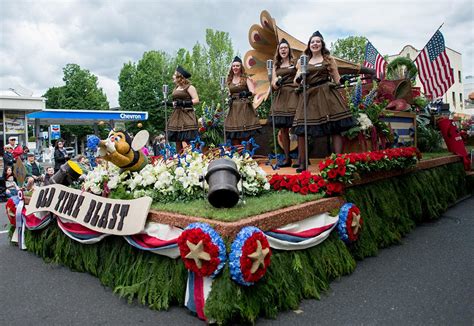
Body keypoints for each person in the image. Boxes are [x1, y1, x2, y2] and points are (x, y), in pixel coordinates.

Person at [293, 31, 354, 172]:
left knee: (335, 127)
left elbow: (337, 78)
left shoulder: (328, 59)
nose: (315, 44)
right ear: (309, 45)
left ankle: (337, 160)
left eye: (318, 41)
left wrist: (343, 81)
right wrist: (300, 78)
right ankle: (302, 163)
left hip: (326, 94)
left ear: (322, 44)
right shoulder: (303, 60)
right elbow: (296, 81)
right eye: (312, 42)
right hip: (308, 95)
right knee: (301, 128)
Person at [270, 38, 299, 167]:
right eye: (281, 48)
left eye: (285, 48)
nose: (283, 50)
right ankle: (287, 158)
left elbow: (301, 75)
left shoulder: (296, 62)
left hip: (294, 94)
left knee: (298, 126)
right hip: (281, 97)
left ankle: (303, 157)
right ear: (278, 51)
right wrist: (276, 83)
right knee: (283, 129)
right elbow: (273, 83)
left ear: (289, 49)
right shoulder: (275, 66)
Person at [224, 56, 261, 146]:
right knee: (235, 133)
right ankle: (238, 156)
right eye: (233, 66)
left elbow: (253, 92)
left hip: (244, 107)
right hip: (234, 108)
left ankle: (247, 156)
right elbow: (228, 93)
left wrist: (245, 93)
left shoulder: (246, 78)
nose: (235, 68)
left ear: (241, 67)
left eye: (237, 66)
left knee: (245, 133)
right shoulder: (229, 80)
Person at [167, 66, 200, 153]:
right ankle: (178, 159)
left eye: (174, 75)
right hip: (176, 116)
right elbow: (175, 102)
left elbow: (196, 100)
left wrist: (184, 103)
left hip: (186, 115)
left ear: (179, 76)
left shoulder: (189, 87)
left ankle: (190, 157)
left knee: (187, 139)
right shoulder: (176, 88)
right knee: (177, 139)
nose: (173, 76)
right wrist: (169, 104)